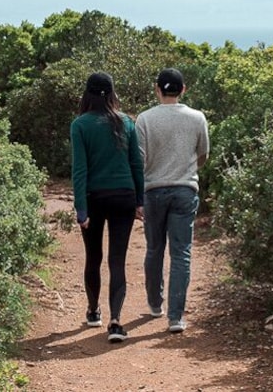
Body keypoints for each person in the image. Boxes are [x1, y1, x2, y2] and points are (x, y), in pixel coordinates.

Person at [70, 71, 144, 343]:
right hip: (124, 196)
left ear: (87, 93)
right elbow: (136, 164)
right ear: (112, 93)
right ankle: (115, 322)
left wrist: (81, 209)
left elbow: (80, 170)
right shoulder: (126, 122)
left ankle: (93, 312)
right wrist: (140, 202)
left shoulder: (80, 125)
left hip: (94, 198)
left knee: (94, 257)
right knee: (117, 260)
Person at [135, 68, 209, 333]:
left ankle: (155, 304)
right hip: (184, 190)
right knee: (181, 253)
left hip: (153, 190)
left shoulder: (144, 119)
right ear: (183, 89)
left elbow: (139, 160)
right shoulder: (197, 118)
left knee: (154, 248)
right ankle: (176, 318)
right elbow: (203, 155)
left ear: (157, 89)